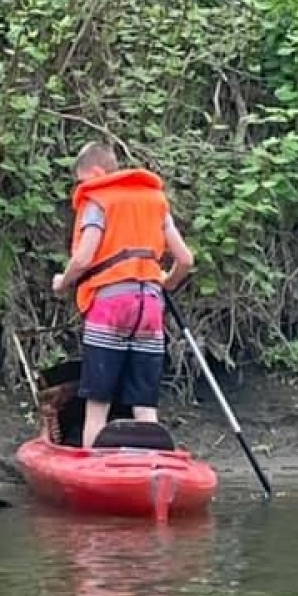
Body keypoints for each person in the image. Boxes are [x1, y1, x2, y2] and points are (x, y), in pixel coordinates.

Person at [52, 142, 194, 449]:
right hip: (150, 308)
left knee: (98, 404)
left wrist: (62, 283)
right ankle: (152, 466)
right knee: (145, 406)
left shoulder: (98, 201)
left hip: (110, 306)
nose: (81, 187)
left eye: (82, 180)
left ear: (97, 173)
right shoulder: (156, 200)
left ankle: (91, 467)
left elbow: (83, 258)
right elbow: (185, 260)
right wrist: (167, 283)